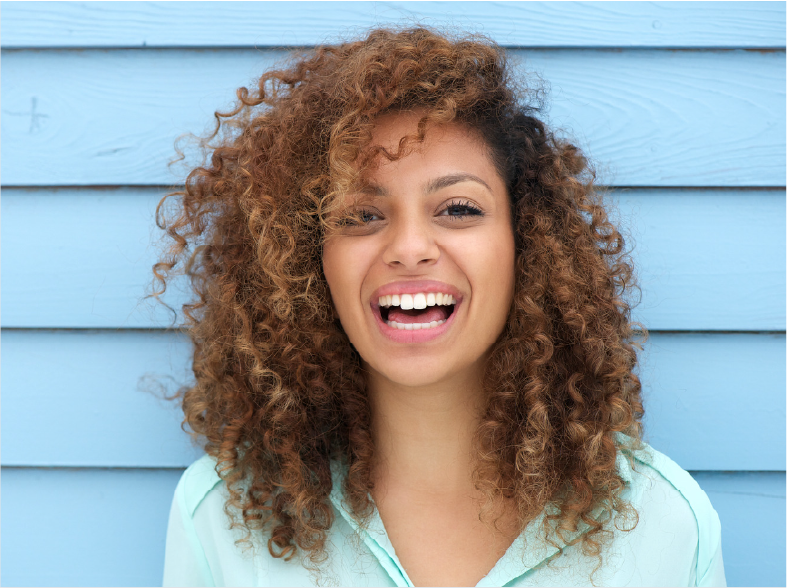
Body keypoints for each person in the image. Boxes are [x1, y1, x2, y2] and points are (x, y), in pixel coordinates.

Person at [156, 27, 725, 587]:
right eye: (360, 216)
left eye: (456, 209)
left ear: (524, 244)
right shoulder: (222, 518)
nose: (408, 249)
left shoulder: (661, 524)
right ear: (308, 263)